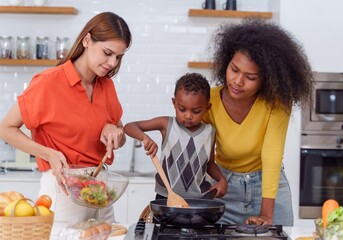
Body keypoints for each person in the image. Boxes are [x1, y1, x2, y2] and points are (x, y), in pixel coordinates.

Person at [0, 12, 132, 222]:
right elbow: (5, 128)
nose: (112, 63)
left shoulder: (106, 86)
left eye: (118, 57)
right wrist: (48, 154)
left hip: (101, 191)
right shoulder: (49, 83)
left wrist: (115, 131)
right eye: (107, 52)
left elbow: (121, 132)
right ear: (87, 40)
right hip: (64, 192)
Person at [203, 19, 314, 226]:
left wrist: (266, 213)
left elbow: (272, 152)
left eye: (250, 77)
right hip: (224, 189)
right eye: (234, 69)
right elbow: (197, 149)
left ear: (268, 79)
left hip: (269, 191)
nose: (237, 81)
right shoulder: (209, 100)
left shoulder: (277, 102)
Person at [124, 73, 227, 199]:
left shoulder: (210, 132)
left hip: (198, 199)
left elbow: (210, 163)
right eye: (182, 109)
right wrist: (145, 138)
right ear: (174, 103)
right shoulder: (167, 124)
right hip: (166, 196)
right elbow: (129, 126)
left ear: (207, 108)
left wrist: (221, 179)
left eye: (196, 111)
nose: (188, 115)